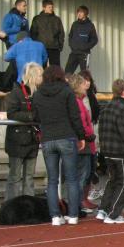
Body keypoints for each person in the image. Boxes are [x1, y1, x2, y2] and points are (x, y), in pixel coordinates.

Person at [32, 65, 85, 225]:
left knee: (52, 180)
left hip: (48, 138)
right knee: (72, 178)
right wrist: (81, 136)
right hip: (66, 136)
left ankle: (55, 216)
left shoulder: (38, 94)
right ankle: (73, 215)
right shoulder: (67, 91)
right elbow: (75, 116)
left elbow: (36, 116)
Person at [97, 79, 124, 224]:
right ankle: (113, 214)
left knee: (112, 181)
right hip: (121, 153)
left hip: (107, 152)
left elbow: (101, 131)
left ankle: (103, 210)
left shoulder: (106, 108)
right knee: (123, 183)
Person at [4, 63, 43, 200]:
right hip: (17, 141)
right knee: (15, 177)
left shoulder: (39, 94)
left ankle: (28, 206)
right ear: (33, 76)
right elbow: (11, 113)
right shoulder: (16, 93)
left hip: (32, 140)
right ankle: (12, 206)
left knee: (29, 177)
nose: (42, 78)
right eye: (40, 75)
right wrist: (31, 117)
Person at [67, 74, 98, 212]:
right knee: (82, 174)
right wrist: (87, 136)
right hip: (83, 142)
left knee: (85, 174)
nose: (86, 85)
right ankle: (78, 204)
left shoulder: (79, 100)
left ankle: (80, 202)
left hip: (85, 141)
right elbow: (81, 122)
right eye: (82, 83)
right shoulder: (76, 102)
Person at [1, 0, 29, 88]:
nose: (25, 7)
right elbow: (5, 30)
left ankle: (12, 85)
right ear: (18, 6)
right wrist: (17, 28)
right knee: (14, 64)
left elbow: (27, 32)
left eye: (26, 5)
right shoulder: (10, 16)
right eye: (24, 5)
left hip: (23, 44)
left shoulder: (24, 19)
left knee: (19, 65)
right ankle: (5, 85)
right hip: (12, 43)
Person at [29, 0, 65, 67]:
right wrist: (35, 46)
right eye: (49, 7)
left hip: (54, 47)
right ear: (44, 8)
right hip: (41, 47)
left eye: (52, 7)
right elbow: (33, 33)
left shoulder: (57, 19)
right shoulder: (37, 18)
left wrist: (60, 45)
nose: (51, 9)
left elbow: (61, 33)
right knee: (40, 66)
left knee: (55, 68)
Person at [65, 6, 98, 74]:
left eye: (81, 12)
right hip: (74, 52)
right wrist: (72, 45)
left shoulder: (90, 25)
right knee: (67, 73)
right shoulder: (74, 24)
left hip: (84, 54)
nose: (79, 14)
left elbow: (95, 40)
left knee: (84, 74)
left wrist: (85, 47)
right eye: (78, 12)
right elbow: (70, 36)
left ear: (85, 14)